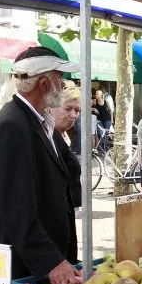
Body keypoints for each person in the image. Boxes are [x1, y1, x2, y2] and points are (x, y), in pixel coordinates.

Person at [0, 47, 81, 284]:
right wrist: (48, 260)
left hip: (43, 259)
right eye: (60, 79)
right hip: (23, 266)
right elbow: (16, 206)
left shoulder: (39, 121)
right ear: (45, 84)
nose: (63, 84)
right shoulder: (12, 126)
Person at [48, 85, 84, 213]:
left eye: (77, 110)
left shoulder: (64, 135)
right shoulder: (47, 138)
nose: (74, 115)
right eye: (67, 109)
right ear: (50, 108)